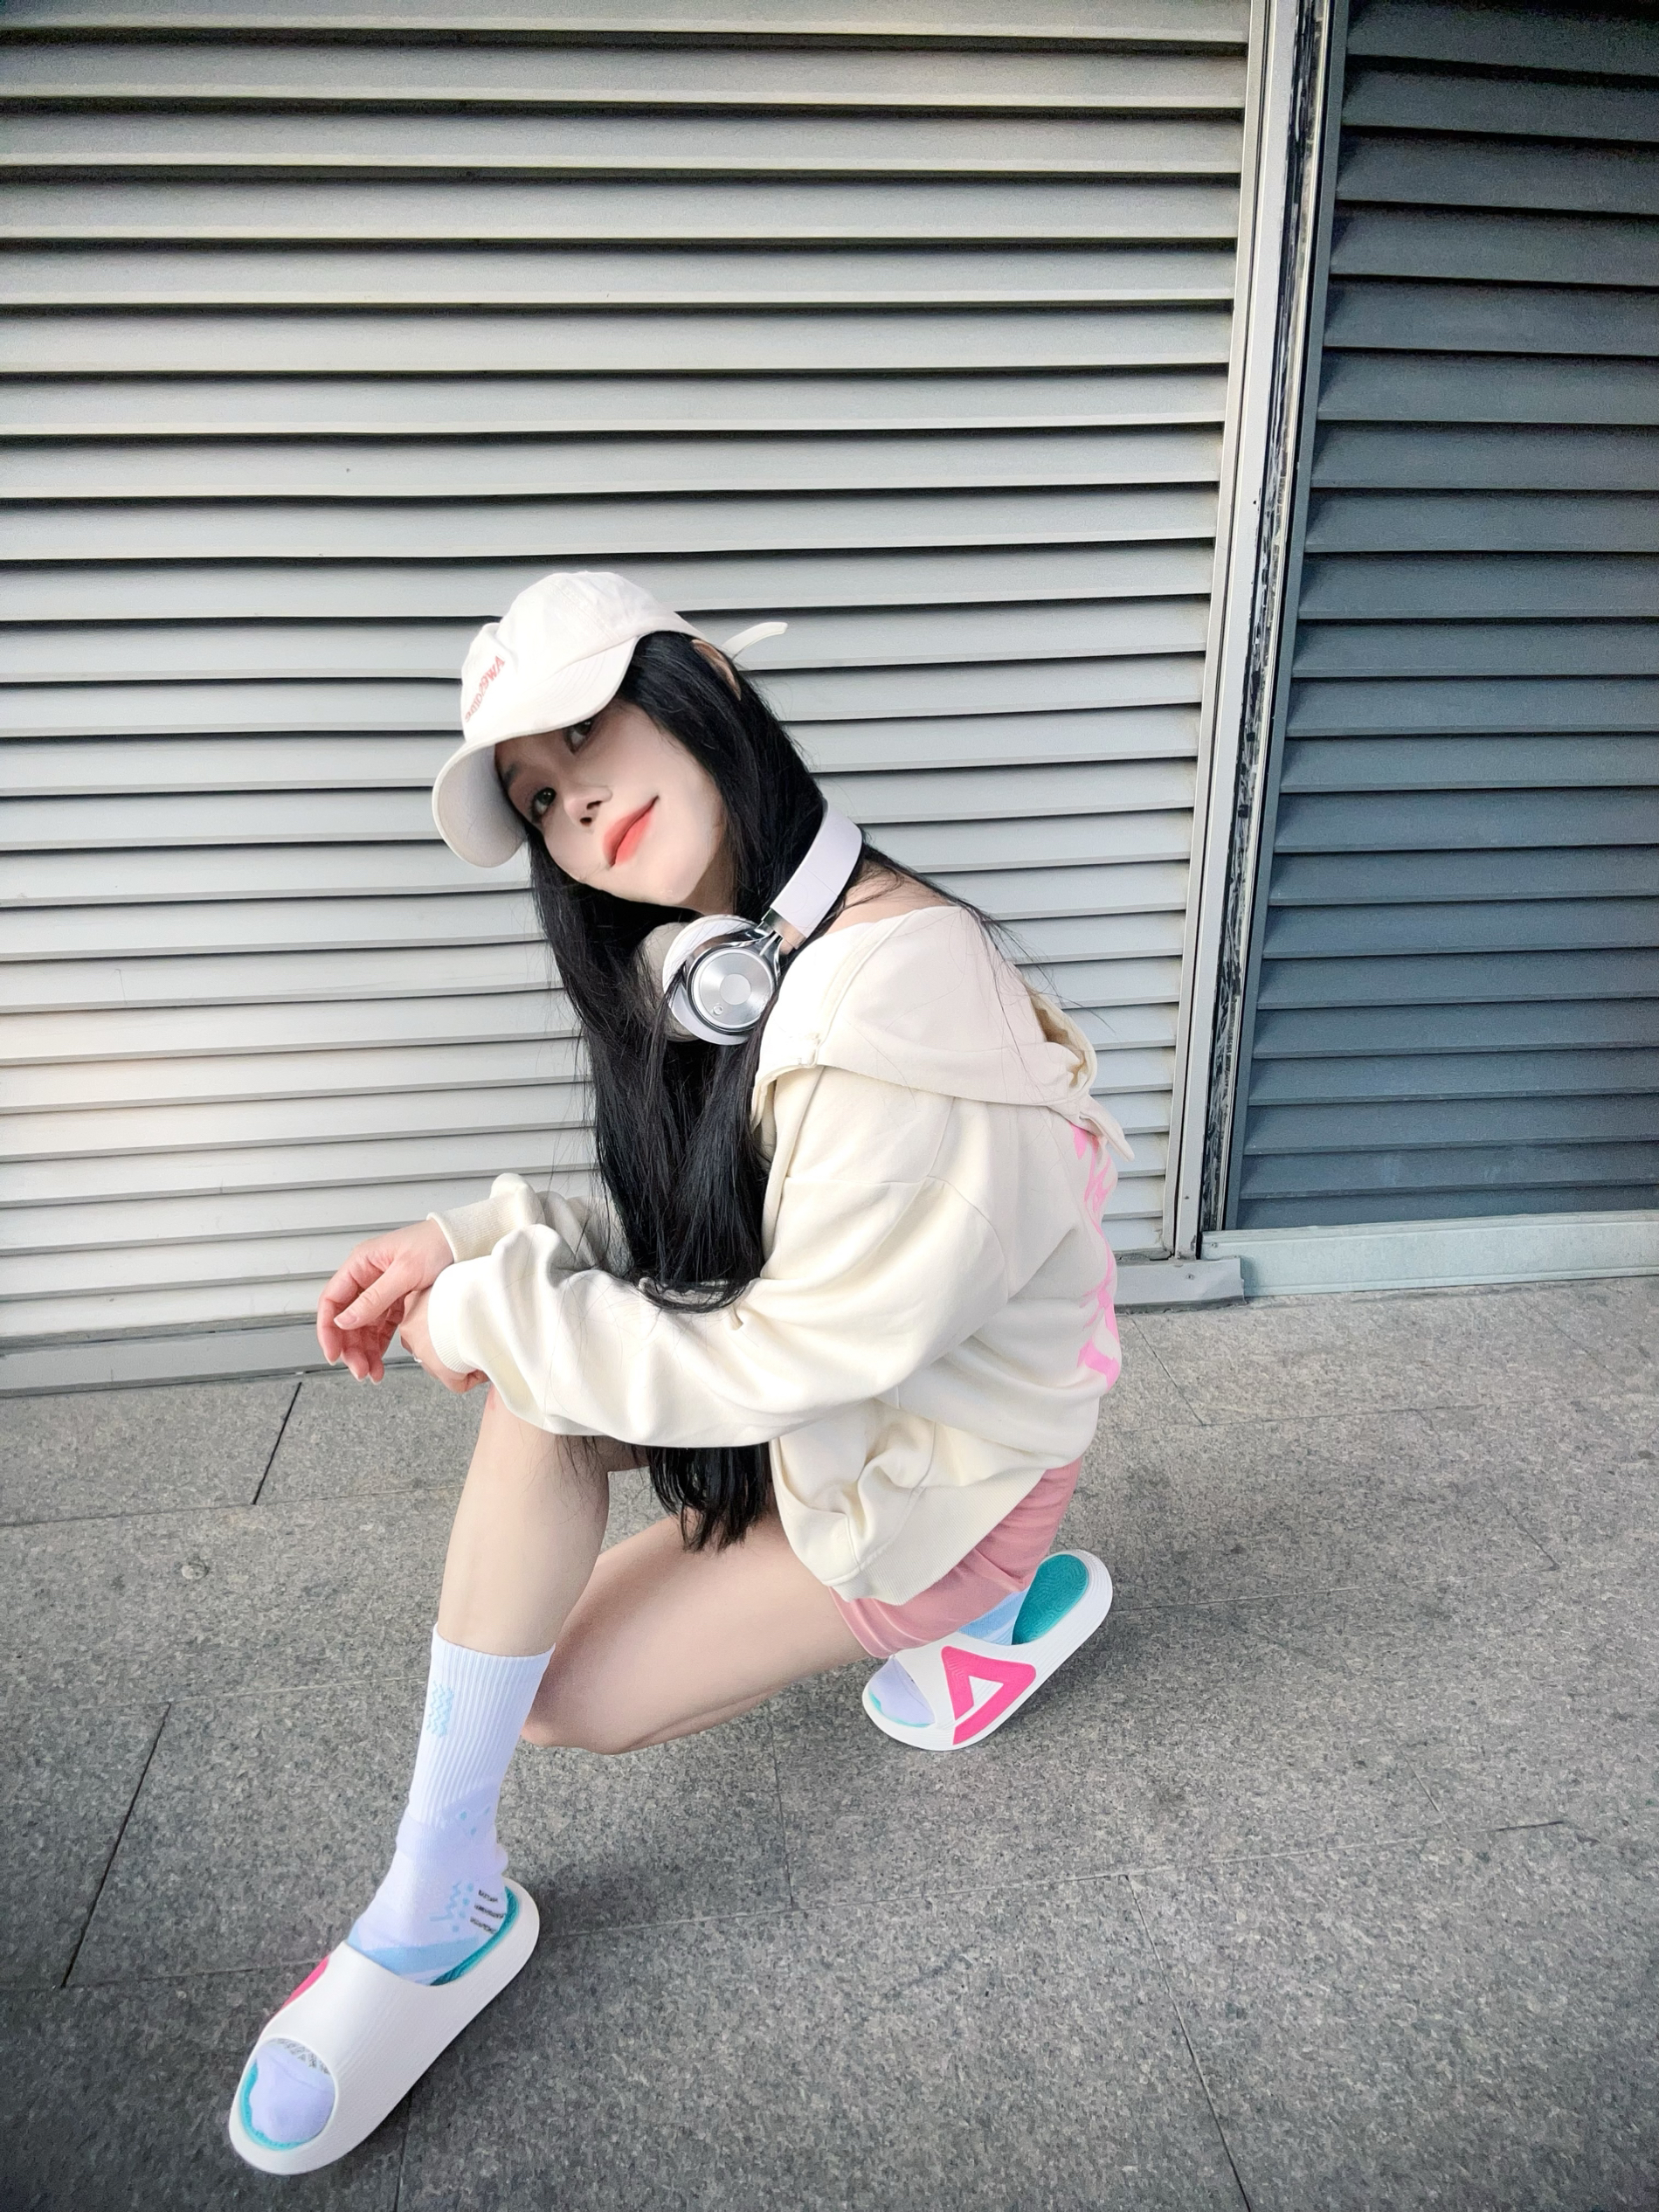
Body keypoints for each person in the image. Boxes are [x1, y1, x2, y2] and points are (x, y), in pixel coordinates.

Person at [228, 570, 1128, 2175]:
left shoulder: (902, 995)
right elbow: (705, 1230)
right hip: (859, 1422)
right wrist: (468, 1242)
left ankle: (1001, 1601)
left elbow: (785, 1352)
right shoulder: (737, 948)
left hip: (940, 1480)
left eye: (587, 736)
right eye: (539, 797)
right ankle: (434, 1900)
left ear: (703, 680)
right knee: (542, 1391)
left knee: (561, 1679)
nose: (577, 809)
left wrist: (493, 1311)